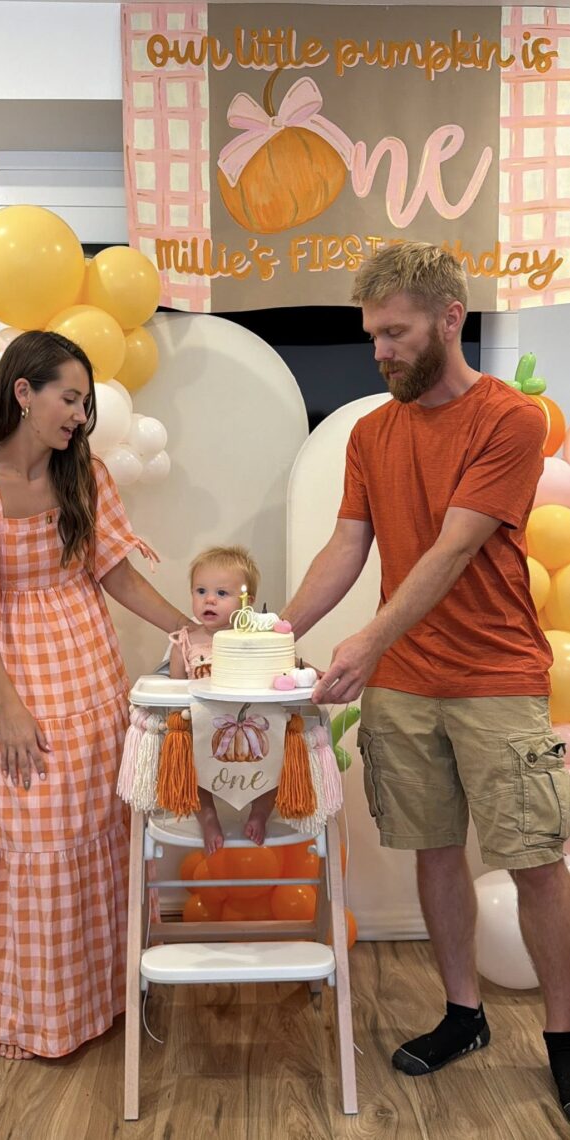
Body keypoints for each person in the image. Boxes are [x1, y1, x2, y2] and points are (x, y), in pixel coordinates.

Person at [281, 241, 570, 1122]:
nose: (381, 353)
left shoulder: (509, 419)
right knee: (433, 850)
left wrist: (363, 642)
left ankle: (562, 1035)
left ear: (451, 319)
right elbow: (347, 545)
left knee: (535, 862)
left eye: (395, 333)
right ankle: (461, 1014)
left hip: (496, 677)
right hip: (404, 684)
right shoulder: (372, 433)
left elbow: (453, 547)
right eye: (372, 337)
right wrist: (275, 634)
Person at [0, 330, 194, 1061]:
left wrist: (187, 629)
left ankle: (97, 998)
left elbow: (114, 572)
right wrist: (12, 710)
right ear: (23, 393)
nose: (79, 416)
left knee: (94, 838)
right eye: (69, 399)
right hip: (14, 689)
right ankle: (36, 1013)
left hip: (90, 678)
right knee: (32, 848)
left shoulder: (85, 475)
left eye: (84, 403)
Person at [169, 544, 277, 852]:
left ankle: (260, 812)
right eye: (200, 590)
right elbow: (176, 690)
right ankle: (208, 817)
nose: (209, 599)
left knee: (276, 759)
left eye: (221, 593)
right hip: (202, 729)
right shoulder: (185, 642)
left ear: (248, 602)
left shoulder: (256, 639)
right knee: (190, 767)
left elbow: (280, 671)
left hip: (252, 727)